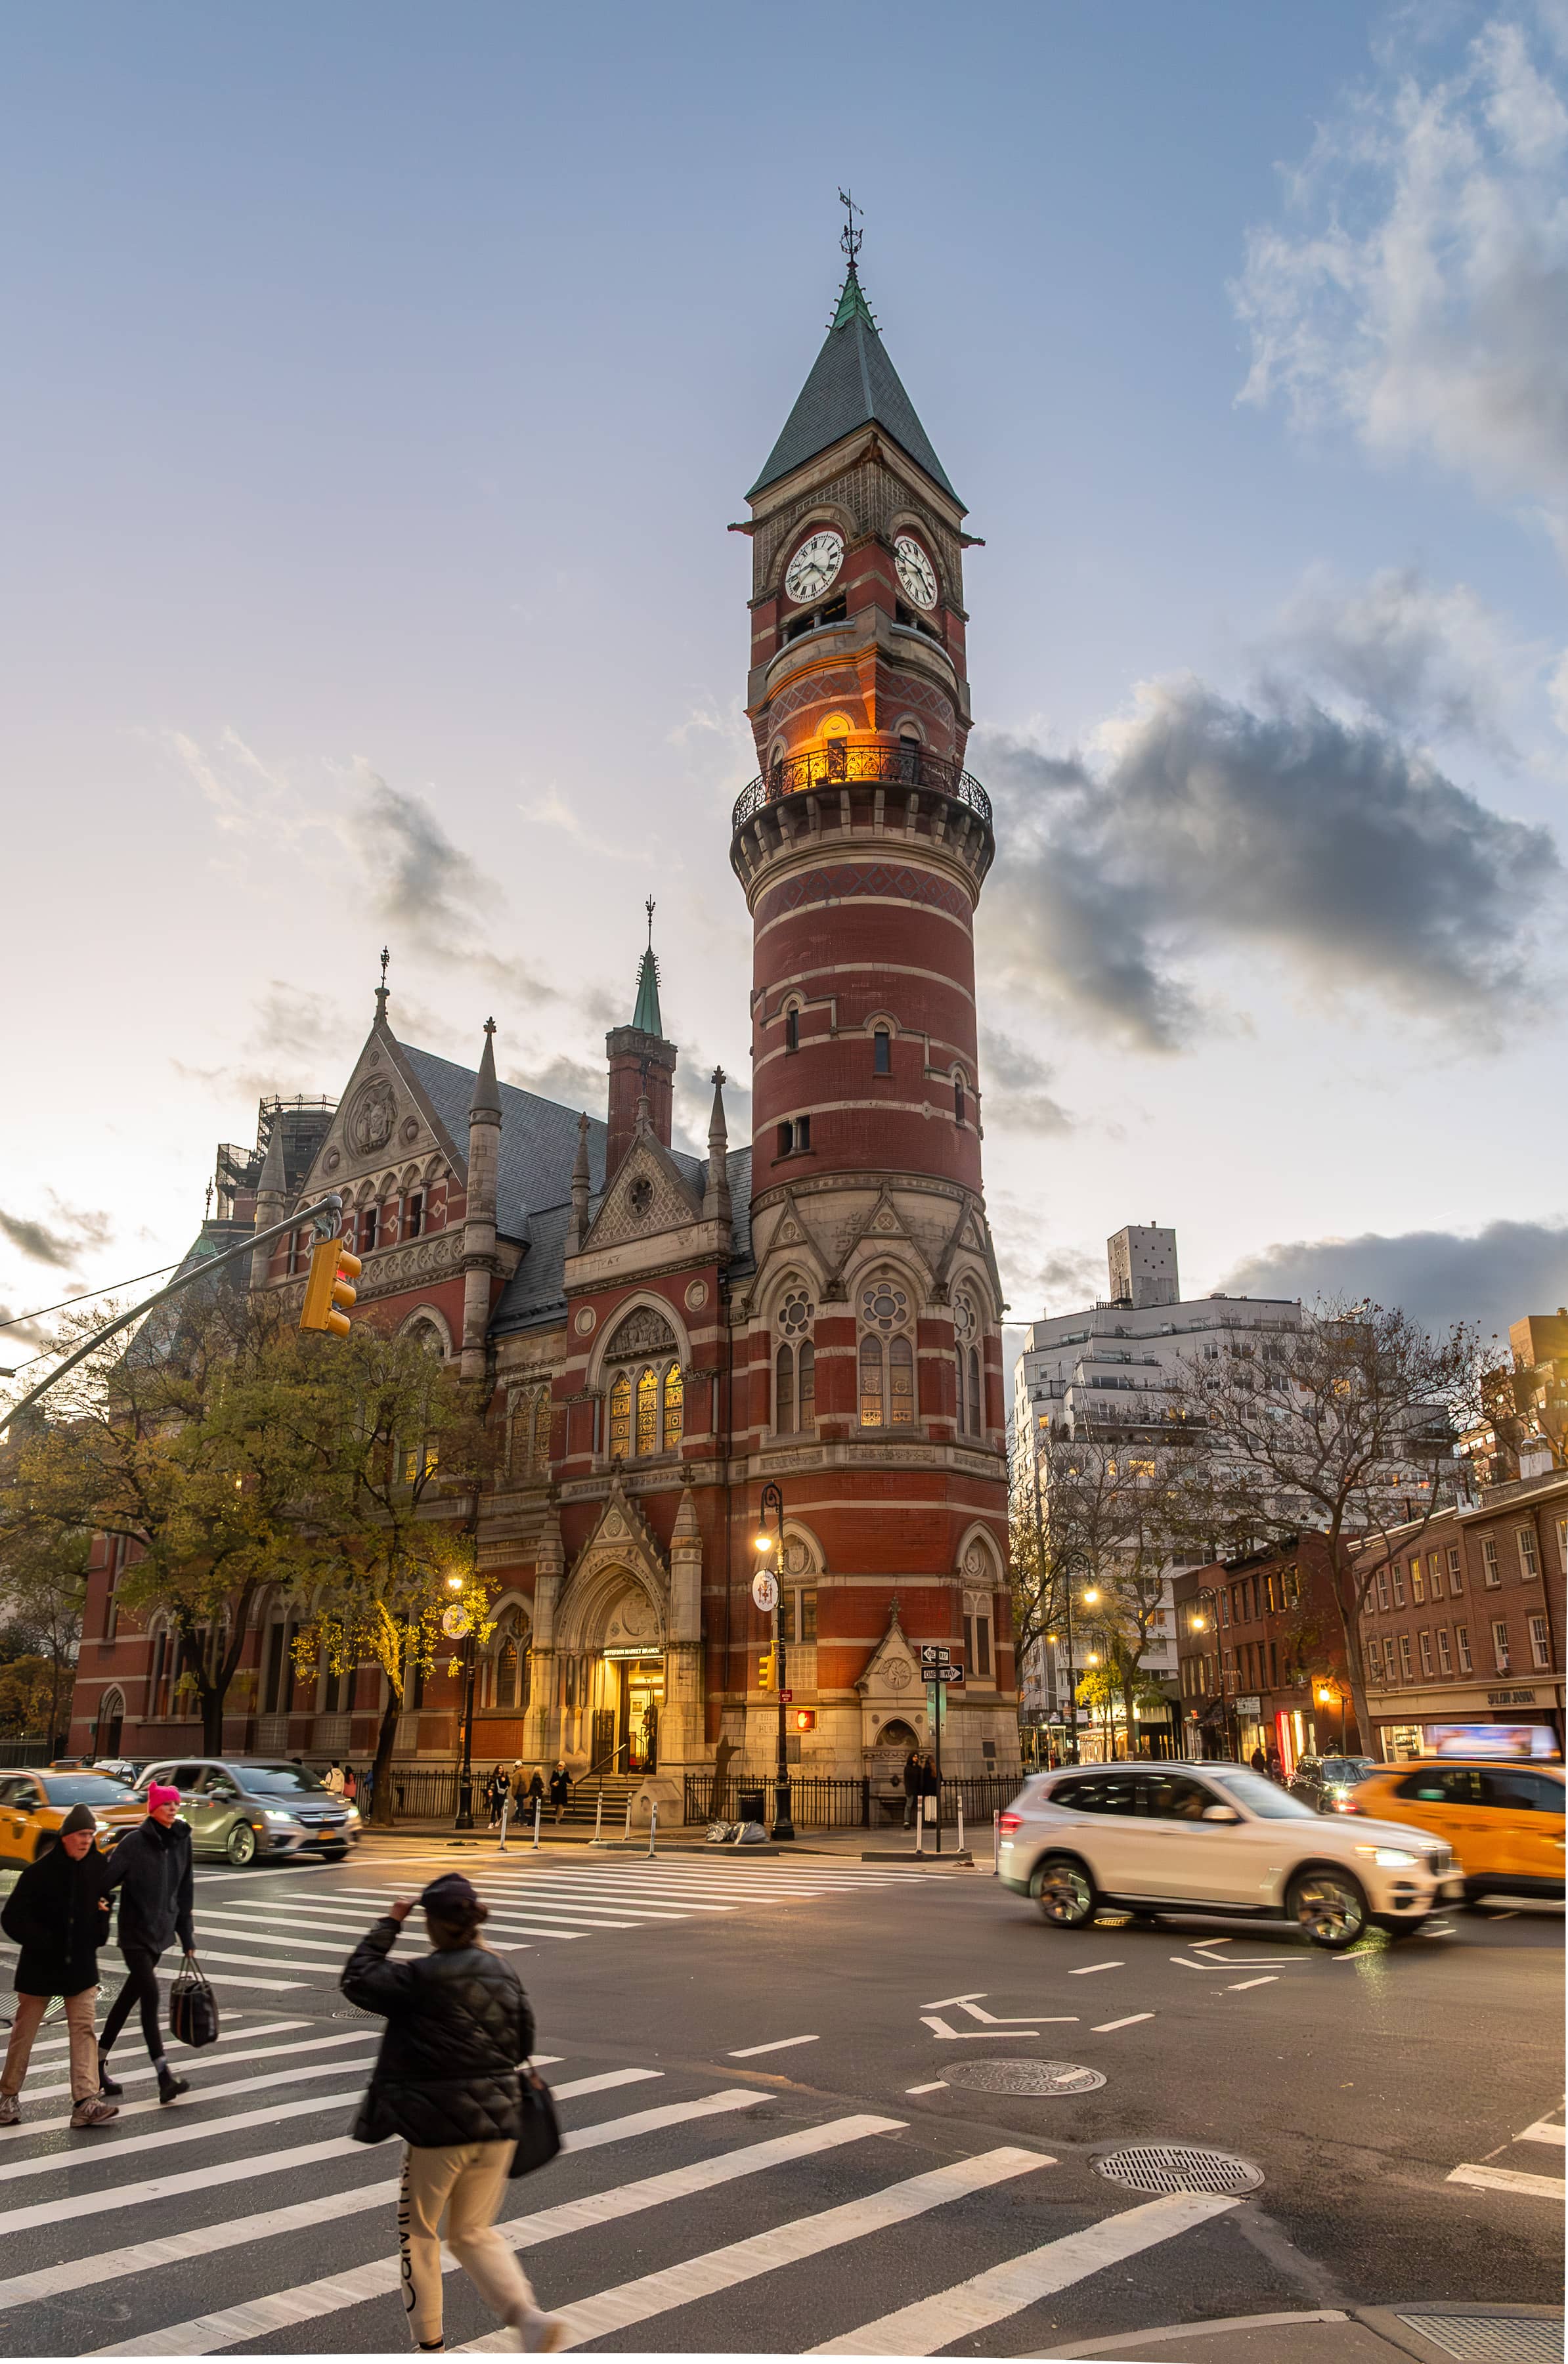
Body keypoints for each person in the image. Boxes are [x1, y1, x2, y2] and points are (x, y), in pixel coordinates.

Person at [341, 1873, 565, 2355]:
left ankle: (431, 2347)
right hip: (500, 2122)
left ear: (431, 1925)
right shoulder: (502, 1970)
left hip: (437, 2130)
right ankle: (527, 2317)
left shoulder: (419, 1977)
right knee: (471, 2232)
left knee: (418, 2233)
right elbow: (522, 2042)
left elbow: (357, 1979)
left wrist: (389, 1923)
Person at [0, 1804, 118, 2128]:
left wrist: (100, 1925)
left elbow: (105, 1904)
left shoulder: (97, 1867)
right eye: (81, 1835)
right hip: (40, 1966)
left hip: (80, 1967)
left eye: (90, 1835)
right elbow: (11, 1918)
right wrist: (43, 1941)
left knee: (84, 2030)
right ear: (66, 1836)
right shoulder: (39, 1873)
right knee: (24, 2033)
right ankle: (7, 2097)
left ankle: (85, 2101)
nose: (86, 1840)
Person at [98, 1781, 195, 2105]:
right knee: (150, 1995)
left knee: (128, 1998)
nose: (173, 1808)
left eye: (176, 1803)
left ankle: (97, 2060)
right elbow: (106, 1881)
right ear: (153, 1808)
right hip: (135, 1934)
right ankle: (163, 2075)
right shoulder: (134, 1843)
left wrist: (187, 1935)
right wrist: (102, 1901)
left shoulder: (182, 1840)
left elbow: (185, 1890)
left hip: (161, 1934)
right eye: (167, 1804)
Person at [902, 1750, 921, 1829]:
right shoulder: (908, 1768)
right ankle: (907, 1822)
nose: (916, 1758)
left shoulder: (919, 1768)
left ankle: (917, 1822)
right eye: (915, 1757)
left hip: (917, 1790)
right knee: (908, 1806)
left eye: (917, 1757)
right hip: (910, 1790)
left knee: (917, 1807)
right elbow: (906, 1780)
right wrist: (908, 1790)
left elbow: (920, 1780)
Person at [548, 1761, 571, 1826]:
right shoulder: (555, 1773)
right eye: (559, 1766)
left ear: (564, 1767)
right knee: (556, 1805)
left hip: (562, 1792)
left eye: (561, 1766)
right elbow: (551, 1782)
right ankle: (557, 1814)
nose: (560, 1767)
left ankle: (558, 1819)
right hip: (556, 1792)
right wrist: (553, 1784)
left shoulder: (566, 1774)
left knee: (560, 1805)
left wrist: (573, 1782)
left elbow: (568, 1780)